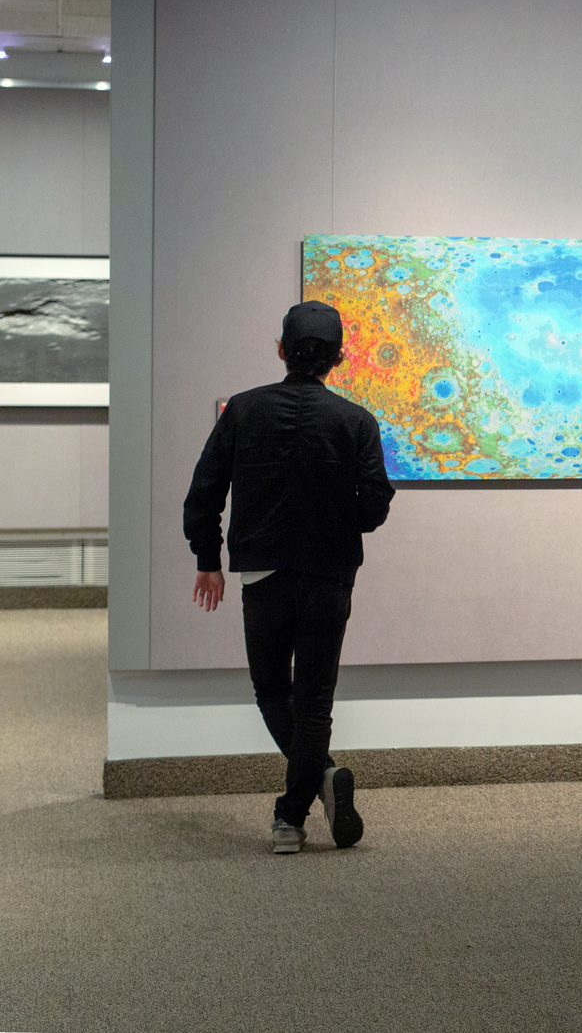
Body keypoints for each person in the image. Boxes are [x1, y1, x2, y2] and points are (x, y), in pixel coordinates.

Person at [183, 299, 395, 854]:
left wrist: (208, 560)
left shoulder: (243, 411)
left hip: (263, 574)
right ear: (340, 359)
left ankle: (299, 804)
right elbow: (374, 506)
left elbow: (205, 491)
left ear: (281, 350)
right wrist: (334, 520)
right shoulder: (356, 421)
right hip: (330, 574)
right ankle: (300, 807)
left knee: (272, 689)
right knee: (314, 700)